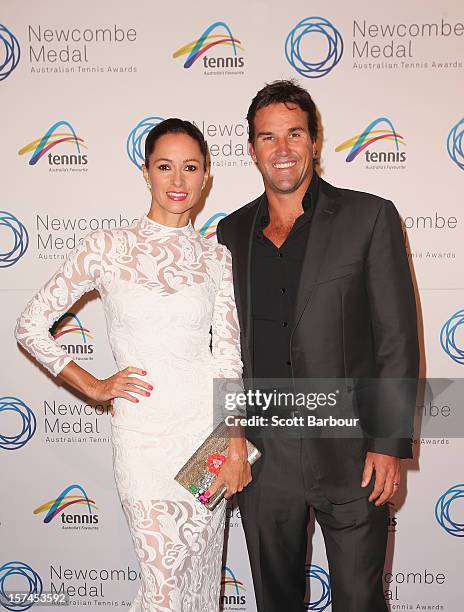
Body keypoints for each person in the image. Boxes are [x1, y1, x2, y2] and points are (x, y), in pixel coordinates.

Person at [15, 118, 251, 612]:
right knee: (163, 587)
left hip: (204, 438)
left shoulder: (217, 259)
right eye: (165, 167)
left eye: (191, 167)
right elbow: (30, 325)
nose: (179, 181)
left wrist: (233, 445)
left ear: (207, 175)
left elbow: (227, 357)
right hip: (142, 441)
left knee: (198, 583)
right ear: (146, 173)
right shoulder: (106, 248)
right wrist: (93, 386)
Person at [216, 81, 419, 612]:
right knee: (275, 601)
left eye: (294, 134)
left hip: (353, 452)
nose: (281, 149)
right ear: (251, 147)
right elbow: (223, 347)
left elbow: (397, 338)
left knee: (358, 599)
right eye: (268, 137)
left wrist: (389, 443)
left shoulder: (369, 217)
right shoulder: (230, 233)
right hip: (265, 455)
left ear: (314, 141)